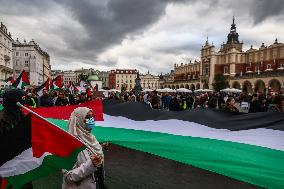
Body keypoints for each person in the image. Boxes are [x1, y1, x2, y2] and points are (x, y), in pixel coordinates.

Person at [62, 107, 104, 189]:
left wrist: (100, 148)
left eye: (92, 117)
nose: (91, 120)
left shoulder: (91, 137)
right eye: (88, 117)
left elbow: (88, 153)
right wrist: (91, 165)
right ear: (78, 120)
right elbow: (68, 177)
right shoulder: (69, 144)